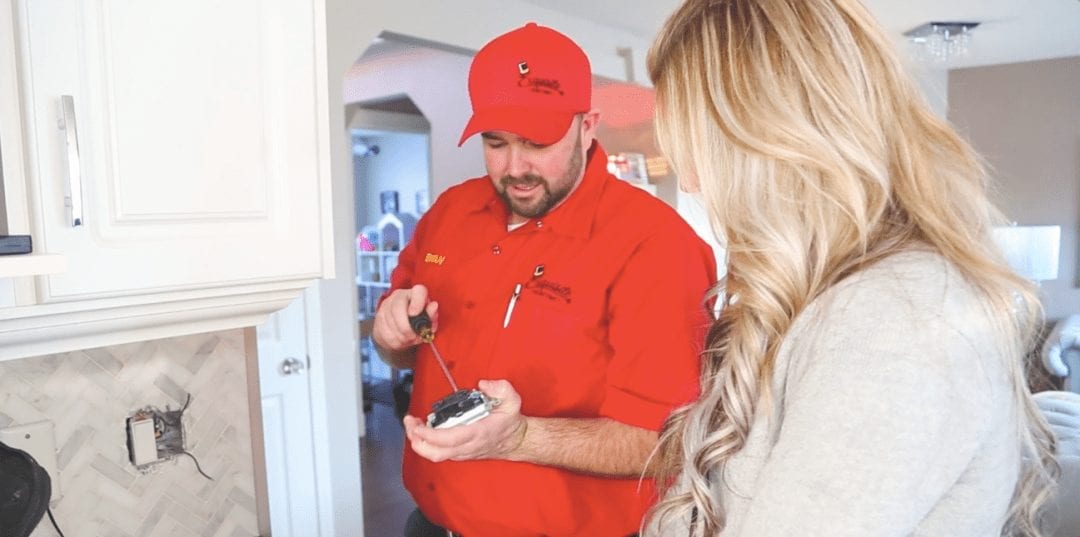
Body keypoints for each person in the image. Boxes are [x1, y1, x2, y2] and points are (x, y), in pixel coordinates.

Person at [643, 1, 1058, 536]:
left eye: (701, 151)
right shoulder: (834, 300)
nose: (694, 184)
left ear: (775, 139)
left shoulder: (899, 315)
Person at [372, 22, 717, 537]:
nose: (515, 168)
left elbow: (668, 442)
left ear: (587, 125)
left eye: (537, 143)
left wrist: (520, 438)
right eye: (495, 143)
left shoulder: (656, 245)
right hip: (432, 521)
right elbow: (404, 351)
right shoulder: (449, 212)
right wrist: (389, 336)